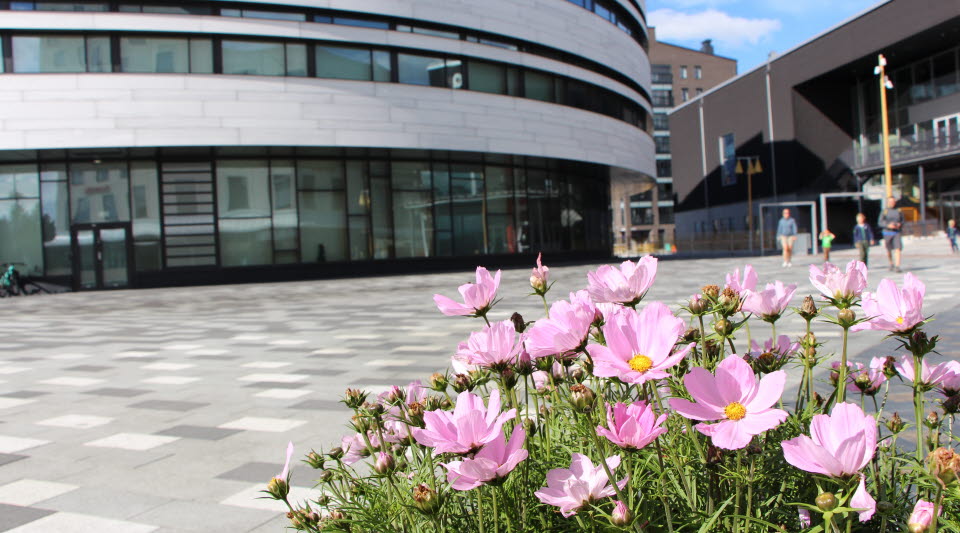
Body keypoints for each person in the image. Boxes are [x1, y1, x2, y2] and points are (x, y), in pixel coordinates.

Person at [878, 196, 904, 272]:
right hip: (887, 232)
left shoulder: (899, 211)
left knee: (898, 248)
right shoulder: (885, 211)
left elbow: (903, 221)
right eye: (890, 202)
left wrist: (899, 224)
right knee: (889, 249)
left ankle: (897, 266)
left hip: (896, 232)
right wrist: (888, 225)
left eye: (893, 201)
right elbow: (880, 222)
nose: (892, 203)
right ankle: (891, 263)